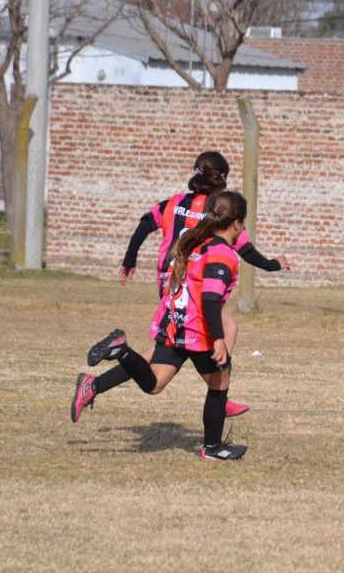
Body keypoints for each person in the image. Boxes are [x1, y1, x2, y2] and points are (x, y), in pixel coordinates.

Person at [71, 152, 288, 422]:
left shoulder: (174, 203)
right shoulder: (218, 210)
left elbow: (144, 225)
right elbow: (245, 250)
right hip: (193, 285)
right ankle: (219, 395)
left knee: (160, 362)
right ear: (222, 178)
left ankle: (95, 383)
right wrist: (273, 265)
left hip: (168, 284)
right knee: (225, 329)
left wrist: (130, 260)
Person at [76, 191, 251, 460]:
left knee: (154, 384)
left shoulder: (195, 243)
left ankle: (121, 351)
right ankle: (213, 448)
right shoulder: (222, 253)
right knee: (219, 382)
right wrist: (217, 338)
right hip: (197, 328)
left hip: (176, 322)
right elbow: (211, 298)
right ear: (236, 223)